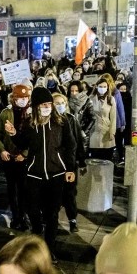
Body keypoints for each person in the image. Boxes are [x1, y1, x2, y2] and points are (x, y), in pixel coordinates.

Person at [22, 87, 76, 250]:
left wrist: (70, 169)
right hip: (34, 174)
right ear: (36, 106)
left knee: (52, 214)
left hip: (56, 173)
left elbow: (70, 145)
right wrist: (12, 135)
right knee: (32, 209)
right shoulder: (30, 123)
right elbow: (23, 143)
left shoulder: (62, 122)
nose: (47, 107)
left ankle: (50, 248)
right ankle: (37, 229)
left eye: (49, 104)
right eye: (43, 104)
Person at [0, 84, 34, 231]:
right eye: (19, 97)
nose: (22, 100)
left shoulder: (32, 114)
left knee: (24, 189)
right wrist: (2, 150)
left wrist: (24, 154)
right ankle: (16, 217)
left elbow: (34, 139)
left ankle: (23, 217)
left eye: (25, 97)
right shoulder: (6, 112)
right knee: (12, 189)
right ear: (13, 98)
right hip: (9, 158)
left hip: (24, 160)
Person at [52, 92, 86, 233]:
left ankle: (72, 220)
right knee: (54, 194)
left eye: (62, 103)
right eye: (57, 103)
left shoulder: (71, 119)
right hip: (54, 164)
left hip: (69, 163)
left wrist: (82, 160)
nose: (60, 106)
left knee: (70, 193)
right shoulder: (48, 120)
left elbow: (78, 141)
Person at [87, 75, 117, 160]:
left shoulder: (111, 99)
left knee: (106, 158)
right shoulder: (91, 99)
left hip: (106, 130)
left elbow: (113, 117)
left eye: (104, 87)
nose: (102, 88)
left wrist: (112, 132)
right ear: (96, 86)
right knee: (95, 158)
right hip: (94, 131)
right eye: (100, 86)